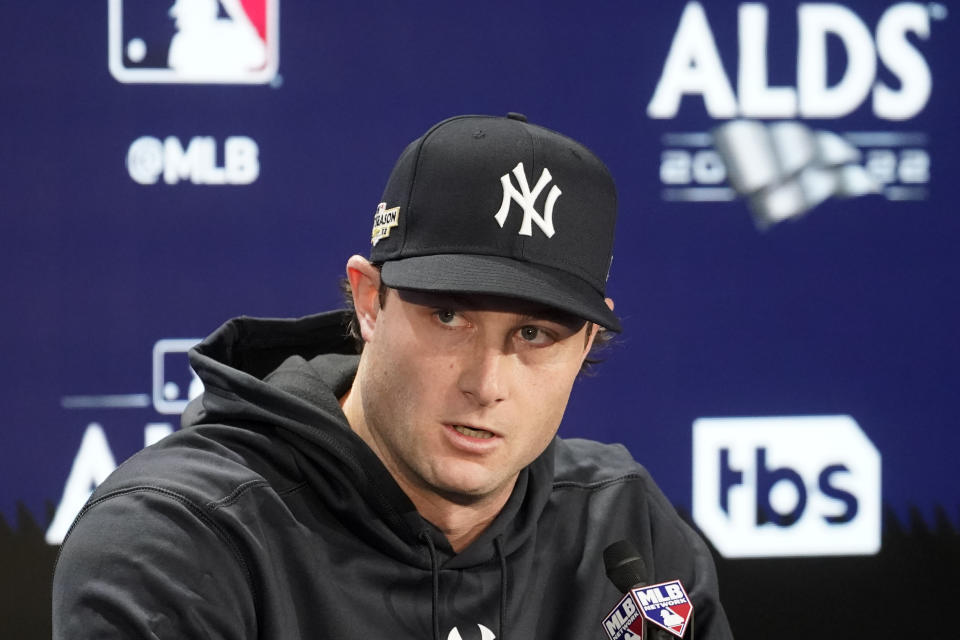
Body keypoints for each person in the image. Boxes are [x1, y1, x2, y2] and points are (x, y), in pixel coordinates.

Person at [53, 113, 733, 639]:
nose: (486, 382)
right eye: (448, 316)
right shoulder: (179, 539)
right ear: (369, 299)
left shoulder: (621, 528)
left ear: (589, 339)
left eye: (533, 335)